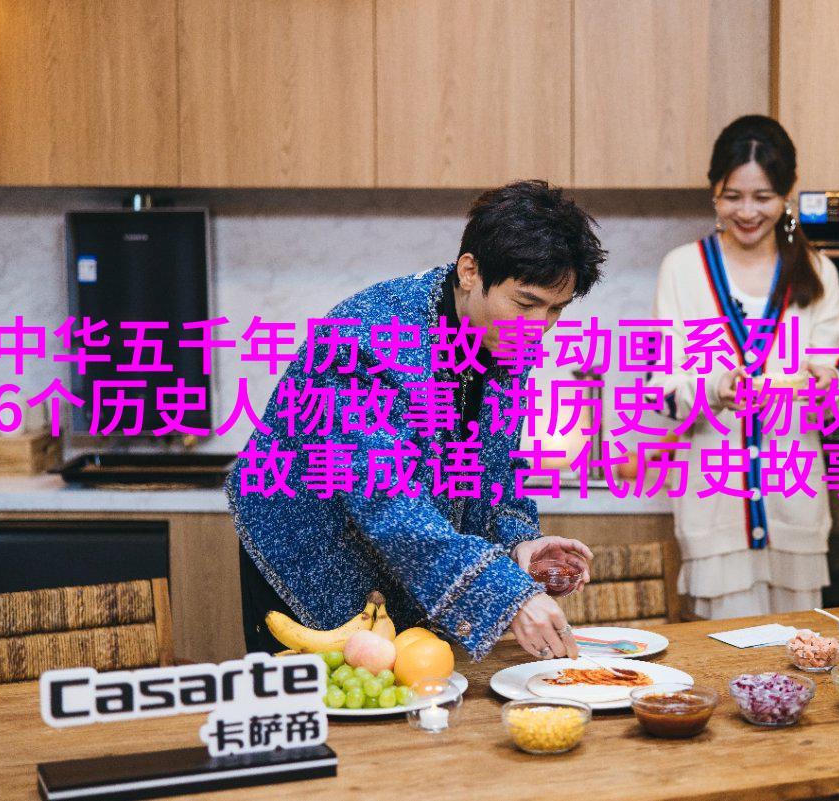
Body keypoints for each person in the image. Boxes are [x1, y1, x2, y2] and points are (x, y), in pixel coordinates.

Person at [227, 180, 606, 661]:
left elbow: (494, 468)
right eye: (526, 303)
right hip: (307, 551)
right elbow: (386, 499)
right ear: (470, 271)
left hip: (400, 556)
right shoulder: (365, 339)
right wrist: (505, 591)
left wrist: (521, 543)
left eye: (555, 310)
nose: (538, 327)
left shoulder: (508, 338)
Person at [649, 115, 839, 619]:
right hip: (713, 515)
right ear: (713, 190)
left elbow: (837, 402)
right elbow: (661, 394)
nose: (746, 211)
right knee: (726, 657)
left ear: (787, 193)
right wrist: (714, 388)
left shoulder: (818, 272)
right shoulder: (682, 269)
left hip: (796, 513)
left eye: (763, 197)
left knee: (801, 656)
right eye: (732, 196)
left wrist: (828, 386)